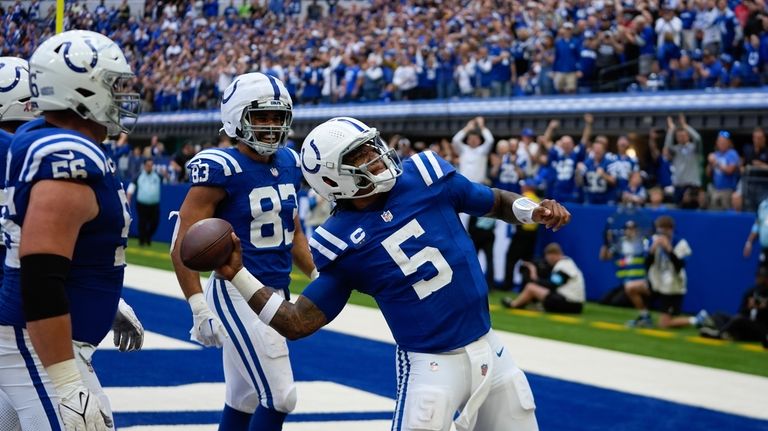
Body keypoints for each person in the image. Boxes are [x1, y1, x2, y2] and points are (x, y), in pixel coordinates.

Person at [215, 116, 571, 431]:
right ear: (331, 176)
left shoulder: (426, 176)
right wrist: (237, 273)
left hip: (491, 349)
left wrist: (532, 210)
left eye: (371, 146)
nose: (374, 156)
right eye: (358, 155)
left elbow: (493, 200)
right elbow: (297, 322)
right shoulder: (340, 240)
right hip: (431, 366)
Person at [0, 31, 142, 431]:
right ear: (82, 89)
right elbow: (40, 276)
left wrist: (106, 300)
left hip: (45, 339)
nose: (121, 95)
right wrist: (65, 384)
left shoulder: (56, 142)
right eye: (114, 85)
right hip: (36, 343)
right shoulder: (67, 157)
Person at [169, 72, 316, 431]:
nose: (271, 126)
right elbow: (182, 244)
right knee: (281, 397)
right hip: (236, 292)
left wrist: (315, 273)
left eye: (277, 117)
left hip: (277, 292)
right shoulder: (221, 167)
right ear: (236, 117)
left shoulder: (290, 163)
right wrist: (197, 305)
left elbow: (292, 229)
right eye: (260, 116)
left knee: (244, 398)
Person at [626, 215, 709, 329]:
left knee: (664, 324)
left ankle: (696, 319)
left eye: (663, 232)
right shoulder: (652, 241)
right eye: (659, 231)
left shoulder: (681, 244)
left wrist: (669, 250)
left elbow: (679, 266)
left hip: (672, 287)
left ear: (670, 230)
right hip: (656, 283)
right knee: (631, 287)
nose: (661, 236)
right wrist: (652, 250)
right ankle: (645, 317)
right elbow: (646, 264)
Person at [500, 242, 585, 314]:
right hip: (576, 305)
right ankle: (529, 304)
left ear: (553, 255)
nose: (547, 260)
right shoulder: (568, 263)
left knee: (531, 287)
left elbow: (552, 285)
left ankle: (514, 304)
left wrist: (535, 277)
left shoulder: (563, 266)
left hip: (571, 304)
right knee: (537, 289)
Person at [600, 220, 650, 321]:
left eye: (632, 229)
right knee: (604, 300)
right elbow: (604, 257)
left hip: (640, 282)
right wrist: (606, 242)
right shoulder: (620, 244)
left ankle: (644, 314)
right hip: (625, 283)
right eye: (627, 229)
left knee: (617, 302)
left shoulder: (642, 244)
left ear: (636, 230)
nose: (629, 231)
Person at [127, 158, 162, 246]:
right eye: (148, 165)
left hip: (154, 204)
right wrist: (128, 199)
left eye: (151, 165)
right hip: (142, 204)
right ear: (144, 166)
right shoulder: (139, 175)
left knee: (155, 222)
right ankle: (142, 241)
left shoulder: (157, 175)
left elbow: (166, 179)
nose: (149, 167)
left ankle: (148, 236)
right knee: (142, 222)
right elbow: (131, 188)